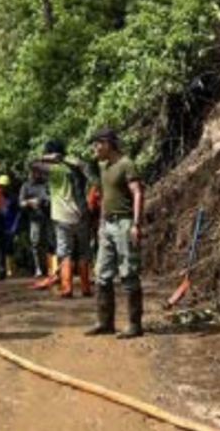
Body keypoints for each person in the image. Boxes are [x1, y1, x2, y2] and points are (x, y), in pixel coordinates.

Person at [85, 129, 145, 339]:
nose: (95, 149)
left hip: (124, 223)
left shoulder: (126, 164)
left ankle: (134, 325)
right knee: (102, 272)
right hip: (108, 225)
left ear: (107, 144)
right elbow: (104, 197)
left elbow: (137, 192)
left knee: (128, 272)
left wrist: (136, 225)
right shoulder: (104, 167)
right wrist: (101, 224)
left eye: (97, 144)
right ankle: (105, 322)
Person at [35, 140, 94, 298]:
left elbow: (33, 164)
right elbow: (88, 170)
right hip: (81, 215)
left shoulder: (53, 170)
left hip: (62, 218)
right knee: (83, 252)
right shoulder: (76, 166)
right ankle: (86, 288)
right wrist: (65, 158)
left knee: (65, 252)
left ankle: (67, 288)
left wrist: (47, 158)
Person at [20, 163, 53, 279]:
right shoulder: (26, 186)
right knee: (36, 243)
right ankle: (38, 268)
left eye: (38, 171)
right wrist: (30, 202)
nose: (36, 174)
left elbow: (52, 197)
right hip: (34, 219)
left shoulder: (46, 184)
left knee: (51, 243)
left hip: (48, 217)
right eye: (34, 172)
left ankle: (51, 269)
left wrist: (45, 201)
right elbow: (21, 203)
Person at [0, 174, 18, 278]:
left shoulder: (13, 198)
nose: (2, 188)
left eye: (4, 186)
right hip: (0, 226)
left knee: (9, 248)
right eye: (0, 186)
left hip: (10, 226)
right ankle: (1, 268)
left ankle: (10, 269)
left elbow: (17, 214)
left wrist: (15, 227)